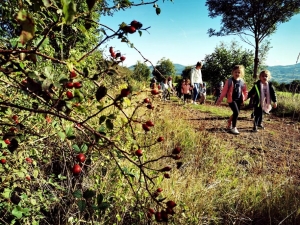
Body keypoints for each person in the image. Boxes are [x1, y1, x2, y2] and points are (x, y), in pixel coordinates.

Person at [216, 65, 248, 135]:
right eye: (235, 72)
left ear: (241, 73)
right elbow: (224, 91)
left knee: (236, 113)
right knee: (236, 112)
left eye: (239, 72)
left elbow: (245, 91)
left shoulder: (242, 82)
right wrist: (219, 100)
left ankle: (229, 122)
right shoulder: (229, 81)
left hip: (239, 100)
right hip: (231, 100)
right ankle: (234, 127)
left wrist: (244, 98)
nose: (237, 74)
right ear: (232, 72)